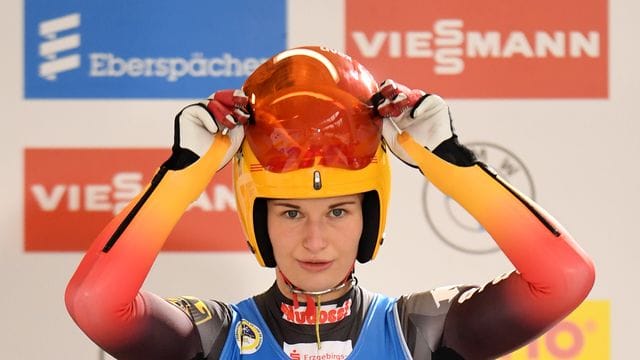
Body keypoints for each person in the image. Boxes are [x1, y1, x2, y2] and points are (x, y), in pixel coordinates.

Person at [65, 46, 595, 360]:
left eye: (339, 211)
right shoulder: (216, 336)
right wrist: (187, 173)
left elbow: (564, 278)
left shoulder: (418, 331)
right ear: (258, 221)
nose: (315, 241)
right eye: (290, 212)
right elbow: (95, 304)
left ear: (370, 217)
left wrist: (445, 160)